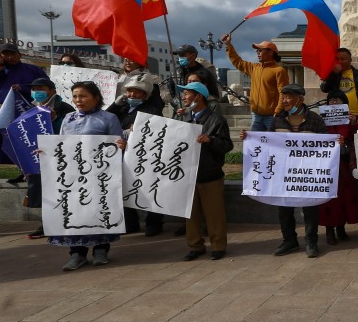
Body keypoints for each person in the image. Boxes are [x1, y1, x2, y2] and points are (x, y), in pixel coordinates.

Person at [49, 81, 126, 271]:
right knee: (74, 212)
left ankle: (101, 249)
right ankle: (77, 253)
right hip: (73, 174)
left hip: (100, 174)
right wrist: (45, 151)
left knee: (100, 210)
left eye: (83, 96)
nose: (78, 100)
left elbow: (117, 144)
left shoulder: (108, 118)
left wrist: (121, 145)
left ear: (96, 98)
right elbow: (60, 143)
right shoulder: (68, 118)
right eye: (75, 96)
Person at [257, 83, 328, 259]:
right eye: (284, 97)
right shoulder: (278, 120)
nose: (285, 101)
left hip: (307, 174)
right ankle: (289, 240)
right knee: (284, 208)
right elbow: (268, 143)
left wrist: (337, 143)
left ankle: (311, 241)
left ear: (300, 99)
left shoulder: (315, 120)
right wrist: (249, 138)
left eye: (288, 97)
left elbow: (326, 145)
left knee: (310, 208)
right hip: (284, 173)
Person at [177, 82, 232, 261]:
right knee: (190, 215)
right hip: (188, 175)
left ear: (198, 97)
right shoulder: (183, 118)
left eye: (186, 94)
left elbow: (227, 145)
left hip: (210, 175)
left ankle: (218, 246)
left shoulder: (216, 120)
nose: (183, 97)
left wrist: (210, 141)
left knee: (214, 214)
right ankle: (195, 246)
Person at [109, 75, 166, 236]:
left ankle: (154, 223)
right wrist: (115, 104)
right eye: (129, 91)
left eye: (137, 92)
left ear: (146, 95)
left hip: (143, 157)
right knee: (124, 189)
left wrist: (132, 135)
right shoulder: (121, 108)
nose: (132, 95)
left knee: (149, 188)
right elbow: (106, 119)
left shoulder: (151, 110)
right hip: (120, 156)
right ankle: (130, 222)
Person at [24, 78, 75, 239]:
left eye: (41, 88)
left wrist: (53, 120)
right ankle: (47, 223)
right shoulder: (32, 107)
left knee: (61, 190)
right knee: (43, 192)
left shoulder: (64, 108)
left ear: (52, 90)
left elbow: (70, 131)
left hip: (61, 156)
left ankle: (66, 221)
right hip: (40, 157)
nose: (36, 92)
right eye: (34, 88)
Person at [318, 89, 358, 244]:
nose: (334, 103)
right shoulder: (321, 121)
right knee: (330, 199)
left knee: (345, 197)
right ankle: (329, 229)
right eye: (331, 100)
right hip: (327, 164)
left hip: (345, 164)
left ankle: (341, 227)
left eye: (338, 100)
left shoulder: (349, 120)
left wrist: (355, 122)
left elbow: (357, 138)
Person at [222, 33, 288, 131]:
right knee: (256, 145)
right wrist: (228, 45)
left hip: (272, 117)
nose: (257, 52)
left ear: (270, 53)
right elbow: (238, 62)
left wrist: (277, 112)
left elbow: (283, 93)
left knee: (270, 145)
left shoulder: (279, 70)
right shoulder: (254, 68)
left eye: (260, 50)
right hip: (256, 115)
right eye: (257, 50)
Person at [321, 47, 358, 116]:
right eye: (337, 59)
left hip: (357, 114)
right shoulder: (332, 73)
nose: (339, 62)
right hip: (338, 114)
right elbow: (324, 88)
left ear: (350, 60)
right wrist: (333, 74)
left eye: (342, 59)